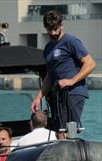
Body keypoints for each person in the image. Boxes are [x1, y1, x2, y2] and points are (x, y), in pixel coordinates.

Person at [30, 10, 96, 138]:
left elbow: (90, 63)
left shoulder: (71, 41)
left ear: (61, 25)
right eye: (50, 30)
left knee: (66, 130)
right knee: (58, 131)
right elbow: (49, 76)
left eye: (55, 29)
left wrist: (71, 80)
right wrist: (39, 96)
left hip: (73, 93)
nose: (53, 33)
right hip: (56, 94)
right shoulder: (48, 48)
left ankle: (71, 153)